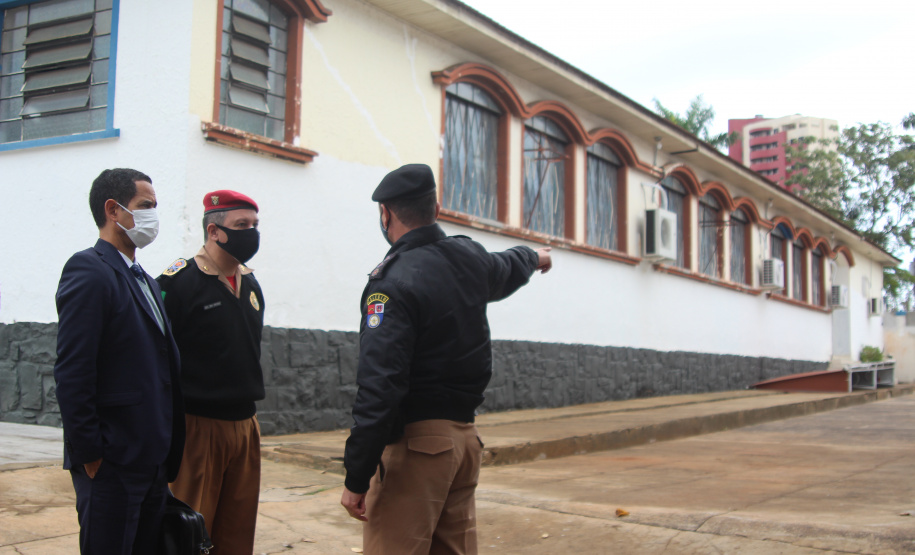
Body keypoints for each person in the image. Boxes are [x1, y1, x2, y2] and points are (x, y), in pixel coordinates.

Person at [340, 164, 552, 554]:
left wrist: (357, 475)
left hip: (417, 449)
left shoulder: (391, 283)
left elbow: (380, 386)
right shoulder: (469, 256)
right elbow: (509, 263)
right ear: (435, 207)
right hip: (465, 443)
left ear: (385, 213)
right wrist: (536, 256)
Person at [54, 168, 185, 555]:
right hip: (113, 461)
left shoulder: (143, 278)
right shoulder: (90, 270)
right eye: (145, 206)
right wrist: (90, 453)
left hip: (151, 458)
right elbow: (73, 370)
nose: (152, 216)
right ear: (113, 210)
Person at [156, 190, 265, 554]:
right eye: (241, 225)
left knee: (236, 533)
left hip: (245, 426)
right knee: (191, 532)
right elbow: (157, 359)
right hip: (198, 428)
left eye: (254, 225)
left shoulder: (250, 284)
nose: (251, 233)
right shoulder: (179, 283)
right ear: (215, 231)